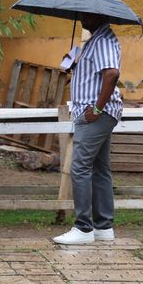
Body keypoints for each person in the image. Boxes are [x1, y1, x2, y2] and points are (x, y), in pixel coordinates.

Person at [53, 12, 122, 245]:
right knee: (99, 168)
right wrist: (74, 64)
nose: (83, 18)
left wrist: (98, 109)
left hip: (94, 114)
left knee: (80, 166)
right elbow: (95, 75)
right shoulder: (95, 41)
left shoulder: (103, 41)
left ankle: (83, 227)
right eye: (81, 15)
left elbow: (111, 74)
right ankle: (103, 227)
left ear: (101, 16)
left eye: (88, 15)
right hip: (94, 113)